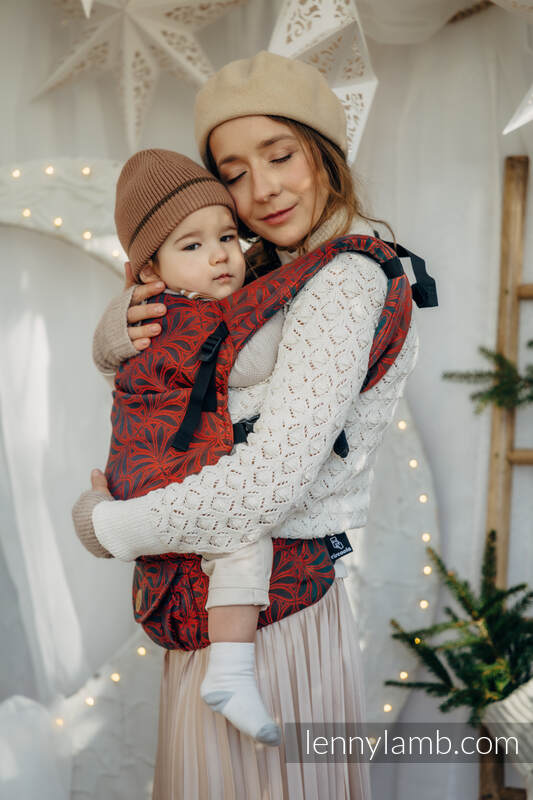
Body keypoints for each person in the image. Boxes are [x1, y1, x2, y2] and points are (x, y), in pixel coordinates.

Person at [73, 51, 421, 799]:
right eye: (233, 172)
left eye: (280, 154)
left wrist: (109, 526)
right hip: (224, 595)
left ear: (323, 150)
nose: (261, 188)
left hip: (272, 612)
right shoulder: (257, 268)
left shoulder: (344, 279)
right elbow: (171, 381)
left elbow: (267, 484)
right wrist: (117, 330)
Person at [104, 147, 287, 746]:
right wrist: (293, 306)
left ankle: (226, 671)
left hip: (143, 468)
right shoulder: (185, 318)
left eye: (228, 236)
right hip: (166, 471)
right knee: (241, 536)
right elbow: (253, 361)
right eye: (192, 244)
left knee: (217, 551)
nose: (220, 255)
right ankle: (230, 673)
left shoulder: (164, 310)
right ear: (148, 272)